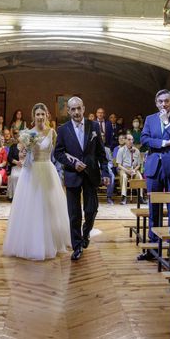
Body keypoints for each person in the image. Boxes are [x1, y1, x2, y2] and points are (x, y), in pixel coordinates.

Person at [3, 103, 71, 259]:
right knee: (32, 206)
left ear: (47, 115)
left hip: (47, 169)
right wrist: (25, 150)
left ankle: (52, 241)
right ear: (33, 116)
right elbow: (21, 153)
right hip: (31, 172)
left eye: (43, 114)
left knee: (49, 205)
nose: (40, 117)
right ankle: (31, 242)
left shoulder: (52, 132)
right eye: (37, 114)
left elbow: (57, 153)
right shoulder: (27, 133)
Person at [54, 96, 110, 260]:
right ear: (68, 111)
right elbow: (58, 153)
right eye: (73, 109)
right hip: (72, 176)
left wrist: (105, 172)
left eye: (79, 108)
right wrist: (72, 164)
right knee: (74, 214)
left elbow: (101, 152)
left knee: (91, 210)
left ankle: (86, 234)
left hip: (91, 175)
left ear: (84, 109)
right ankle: (77, 246)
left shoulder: (93, 126)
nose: (76, 112)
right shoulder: (63, 129)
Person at [139, 89, 170, 255]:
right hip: (153, 168)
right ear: (156, 103)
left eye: (166, 101)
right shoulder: (150, 119)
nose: (163, 104)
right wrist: (164, 143)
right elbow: (144, 139)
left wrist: (166, 122)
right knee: (154, 208)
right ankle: (153, 248)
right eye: (160, 101)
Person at [115, 133, 143, 205]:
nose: (131, 141)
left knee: (139, 177)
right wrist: (127, 171)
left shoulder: (136, 150)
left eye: (132, 139)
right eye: (129, 139)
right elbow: (119, 165)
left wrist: (134, 170)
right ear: (125, 141)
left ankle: (140, 197)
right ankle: (124, 197)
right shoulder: (121, 150)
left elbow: (139, 165)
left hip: (134, 169)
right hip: (124, 169)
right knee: (124, 176)